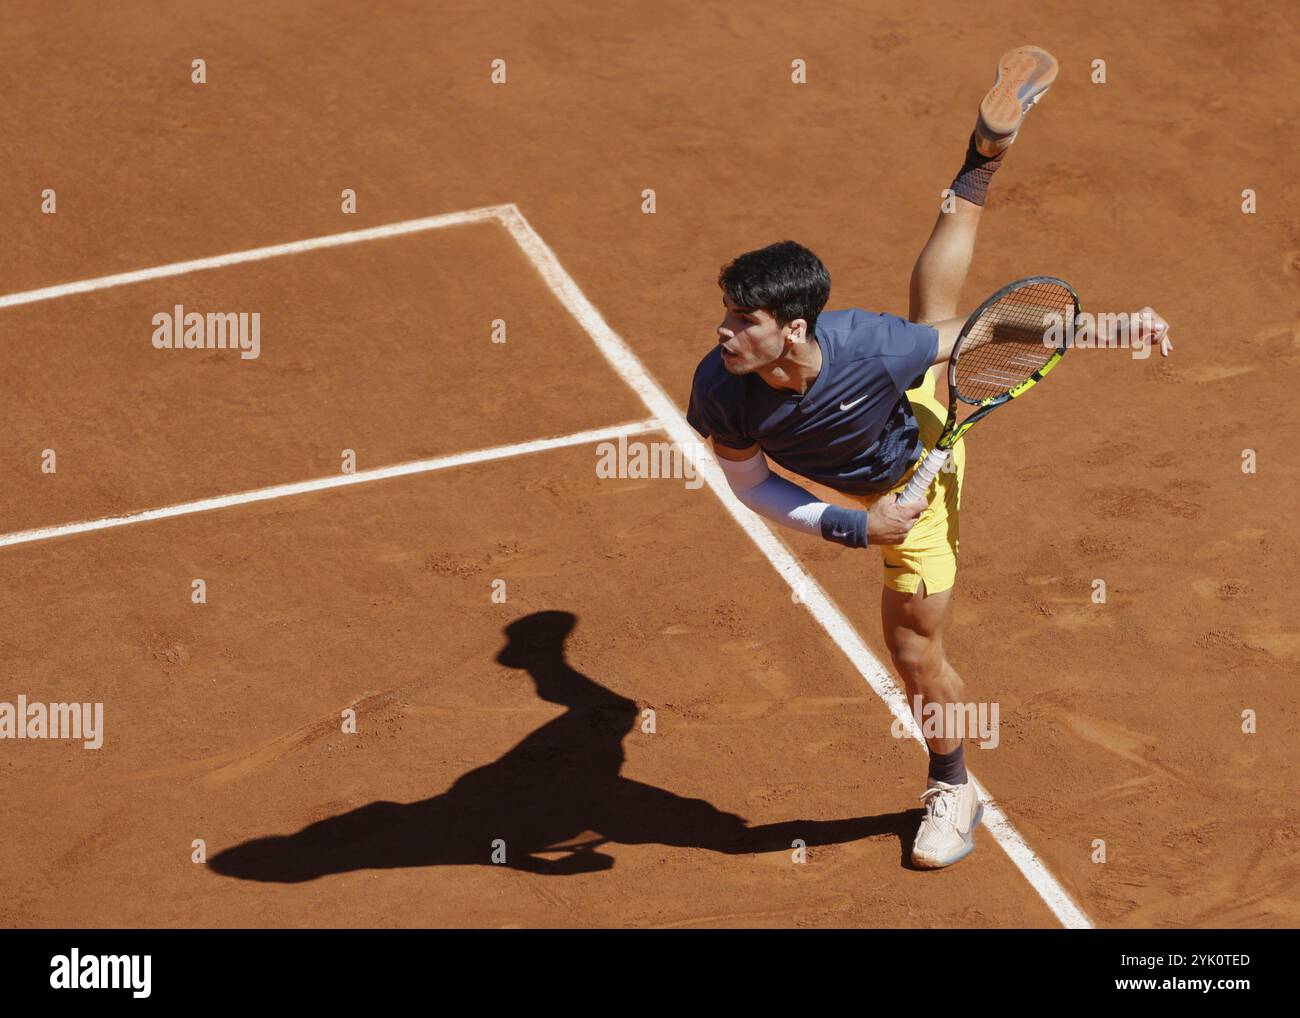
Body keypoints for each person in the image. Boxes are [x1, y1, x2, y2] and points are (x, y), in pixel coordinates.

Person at [686, 46, 1170, 868]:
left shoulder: (866, 346)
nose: (724, 333)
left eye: (743, 321)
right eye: (727, 316)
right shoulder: (721, 387)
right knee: (931, 315)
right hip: (878, 483)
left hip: (917, 464)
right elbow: (750, 484)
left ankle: (954, 785)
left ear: (794, 330)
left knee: (913, 651)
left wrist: (1113, 328)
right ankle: (984, 156)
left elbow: (983, 333)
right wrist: (850, 525)